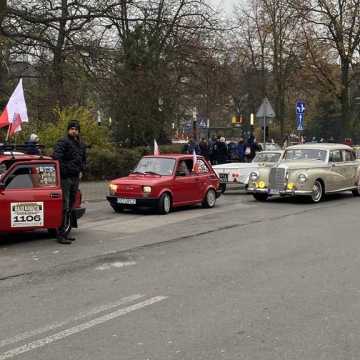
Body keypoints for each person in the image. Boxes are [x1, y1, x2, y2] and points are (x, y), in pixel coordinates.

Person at [53, 120, 86, 244]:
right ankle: (61, 234)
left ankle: (66, 232)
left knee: (71, 205)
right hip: (66, 178)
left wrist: (82, 169)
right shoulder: (63, 142)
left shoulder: (81, 144)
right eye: (72, 129)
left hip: (75, 177)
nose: (74, 131)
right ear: (68, 130)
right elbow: (56, 157)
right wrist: (65, 171)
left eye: (76, 129)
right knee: (65, 206)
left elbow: (83, 159)